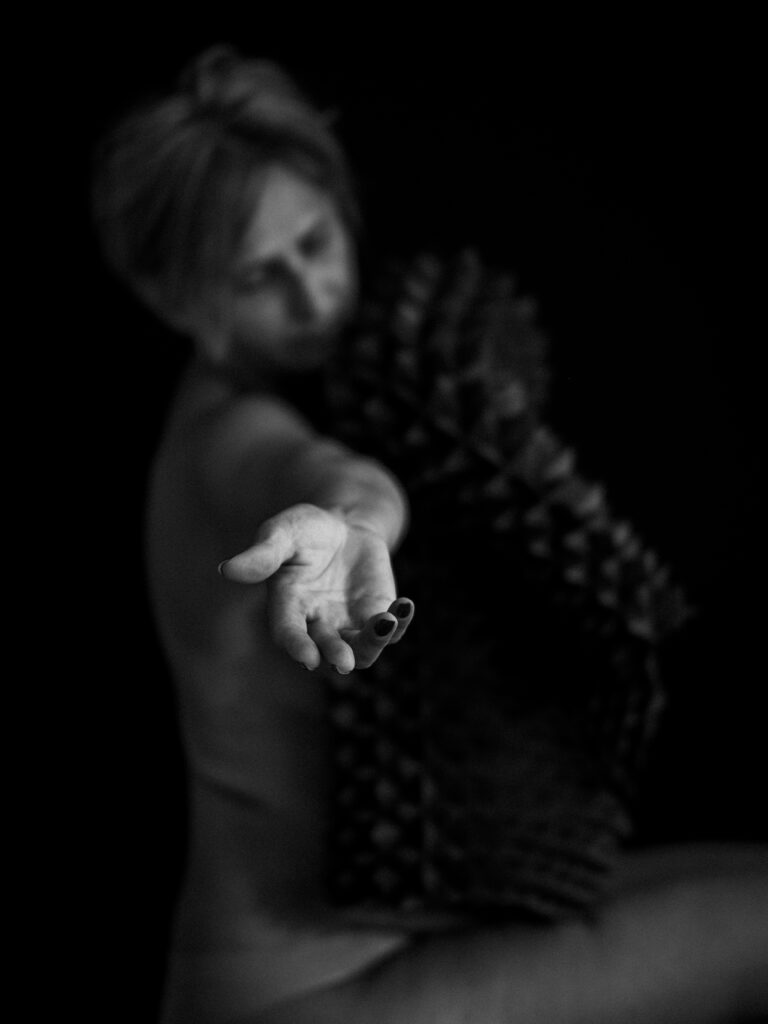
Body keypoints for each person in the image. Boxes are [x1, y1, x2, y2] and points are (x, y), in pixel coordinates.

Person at [92, 45, 768, 1024]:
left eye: (316, 242)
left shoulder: (327, 382)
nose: (313, 294)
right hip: (311, 987)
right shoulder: (222, 438)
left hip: (404, 939)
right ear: (174, 298)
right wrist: (352, 521)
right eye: (260, 276)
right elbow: (313, 476)